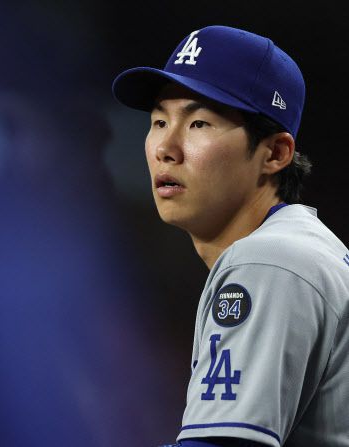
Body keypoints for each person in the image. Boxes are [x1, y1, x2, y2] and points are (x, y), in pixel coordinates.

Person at [112, 25, 349, 447]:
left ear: (275, 153)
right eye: (159, 121)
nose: (166, 147)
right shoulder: (302, 248)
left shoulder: (270, 260)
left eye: (199, 122)